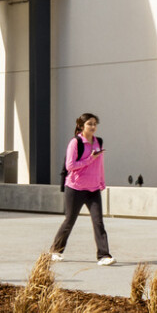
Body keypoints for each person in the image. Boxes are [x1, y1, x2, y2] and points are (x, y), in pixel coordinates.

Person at [49, 113, 114, 265]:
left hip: (93, 189)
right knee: (69, 220)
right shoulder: (75, 142)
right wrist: (90, 158)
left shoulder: (99, 141)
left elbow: (100, 164)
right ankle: (55, 251)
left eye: (95, 124)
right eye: (89, 124)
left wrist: (102, 181)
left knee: (98, 222)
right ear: (81, 126)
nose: (93, 127)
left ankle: (104, 255)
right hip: (75, 188)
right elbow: (70, 166)